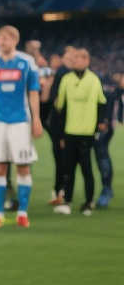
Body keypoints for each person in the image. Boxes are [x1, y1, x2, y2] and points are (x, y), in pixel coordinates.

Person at [0, 26, 43, 229]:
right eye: (0, 38)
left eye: (6, 38)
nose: (2, 42)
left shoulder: (26, 62)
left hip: (20, 121)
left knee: (23, 167)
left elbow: (33, 92)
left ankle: (22, 213)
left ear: (15, 40)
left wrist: (36, 119)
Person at [53, 48, 108, 216]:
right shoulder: (66, 79)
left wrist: (99, 123)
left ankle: (88, 202)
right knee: (68, 169)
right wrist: (60, 134)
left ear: (87, 61)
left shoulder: (94, 80)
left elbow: (101, 102)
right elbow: (60, 107)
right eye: (74, 58)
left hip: (87, 132)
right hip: (70, 131)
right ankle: (67, 201)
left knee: (86, 169)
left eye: (79, 58)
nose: (75, 61)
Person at [45, 46, 75, 204]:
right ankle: (61, 191)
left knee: (63, 160)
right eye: (69, 56)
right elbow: (57, 104)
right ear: (63, 58)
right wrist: (62, 133)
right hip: (61, 126)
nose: (72, 58)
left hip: (64, 125)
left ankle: (60, 190)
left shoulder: (67, 73)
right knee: (63, 159)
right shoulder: (64, 74)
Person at [94, 72, 119, 208]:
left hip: (103, 126)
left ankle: (106, 189)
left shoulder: (106, 89)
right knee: (99, 157)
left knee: (102, 156)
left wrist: (105, 120)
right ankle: (106, 189)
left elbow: (110, 99)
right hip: (90, 126)